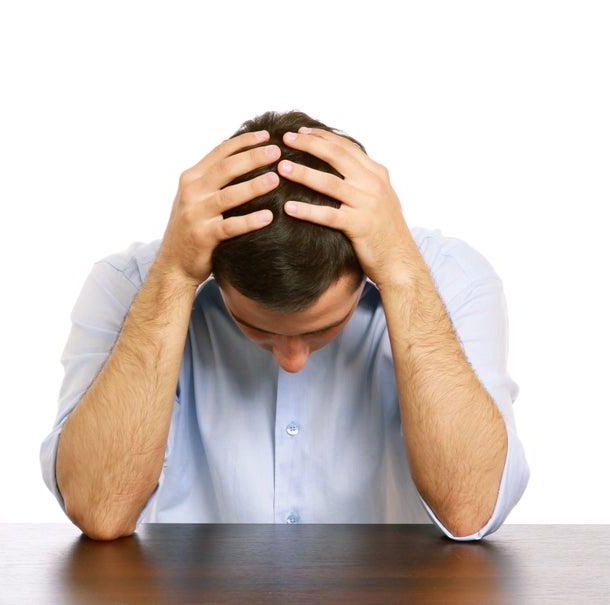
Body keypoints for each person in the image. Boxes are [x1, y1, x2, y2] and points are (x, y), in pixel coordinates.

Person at [40, 110, 529, 542]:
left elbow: (471, 511)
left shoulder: (453, 281)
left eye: (322, 328)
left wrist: (402, 276)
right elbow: (101, 510)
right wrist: (173, 275)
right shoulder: (127, 286)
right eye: (256, 329)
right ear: (217, 273)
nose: (293, 361)